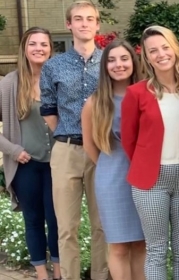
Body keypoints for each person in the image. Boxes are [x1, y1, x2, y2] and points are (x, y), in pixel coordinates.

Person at [121, 25, 179, 280]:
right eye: (153, 51)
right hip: (151, 181)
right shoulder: (135, 93)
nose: (160, 54)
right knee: (156, 251)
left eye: (165, 47)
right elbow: (128, 140)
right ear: (146, 58)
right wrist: (146, 163)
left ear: (175, 49)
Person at [39, 1, 108, 279]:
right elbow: (48, 109)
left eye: (89, 19)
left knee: (101, 223)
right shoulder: (54, 66)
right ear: (69, 25)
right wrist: (68, 133)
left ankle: (101, 275)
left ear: (97, 24)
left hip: (102, 152)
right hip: (66, 151)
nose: (84, 23)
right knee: (66, 226)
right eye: (78, 19)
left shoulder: (108, 62)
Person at [0, 26, 61, 280]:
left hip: (58, 164)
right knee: (34, 220)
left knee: (58, 220)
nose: (39, 49)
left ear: (51, 49)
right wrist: (13, 150)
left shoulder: (58, 80)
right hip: (27, 165)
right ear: (24, 49)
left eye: (44, 44)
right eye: (33, 44)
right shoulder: (10, 83)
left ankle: (59, 273)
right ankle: (41, 275)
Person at [82, 39, 146, 280]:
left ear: (133, 62)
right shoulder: (95, 102)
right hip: (111, 178)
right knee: (118, 246)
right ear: (104, 66)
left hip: (144, 177)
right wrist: (109, 168)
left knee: (141, 243)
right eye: (111, 60)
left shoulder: (146, 95)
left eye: (124, 58)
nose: (118, 64)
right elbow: (89, 144)